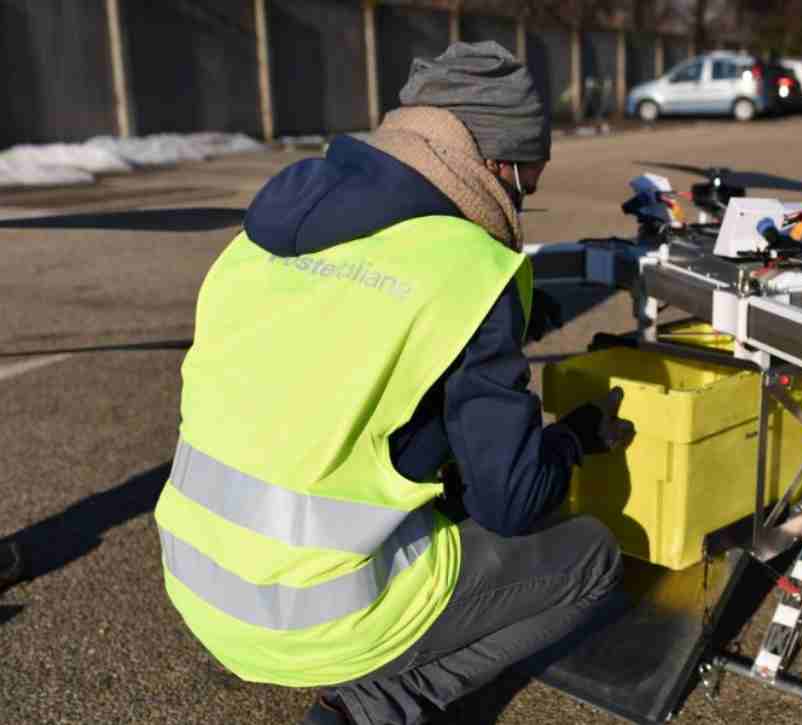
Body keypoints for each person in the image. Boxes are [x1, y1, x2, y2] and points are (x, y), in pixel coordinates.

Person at [153, 41, 634, 725]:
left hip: (197, 577)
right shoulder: (467, 268)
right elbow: (513, 501)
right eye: (531, 174)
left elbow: (349, 342)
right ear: (494, 161)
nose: (528, 193)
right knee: (591, 559)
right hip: (309, 616)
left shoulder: (269, 232)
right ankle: (378, 704)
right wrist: (575, 440)